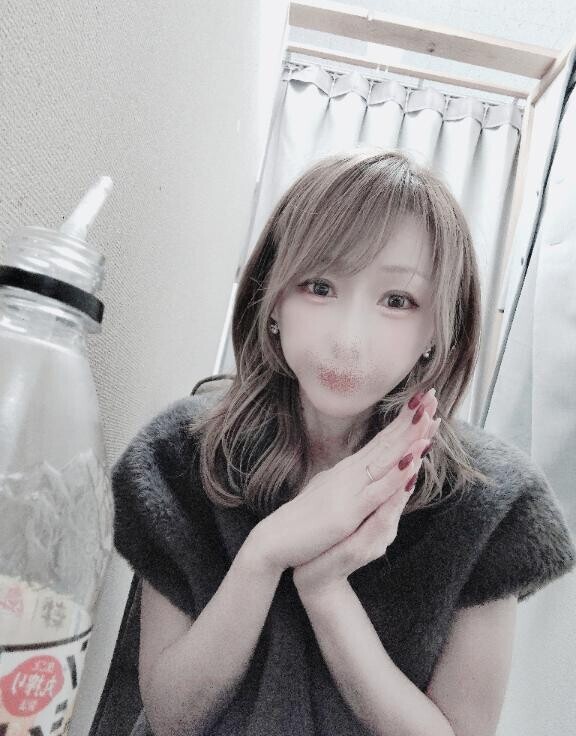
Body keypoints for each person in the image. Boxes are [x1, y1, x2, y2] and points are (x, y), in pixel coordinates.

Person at [91, 148, 576, 736]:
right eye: (320, 286)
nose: (348, 340)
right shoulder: (181, 455)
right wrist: (264, 555)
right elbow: (170, 716)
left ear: (437, 329)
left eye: (397, 300)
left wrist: (325, 590)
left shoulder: (491, 502)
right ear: (272, 298)